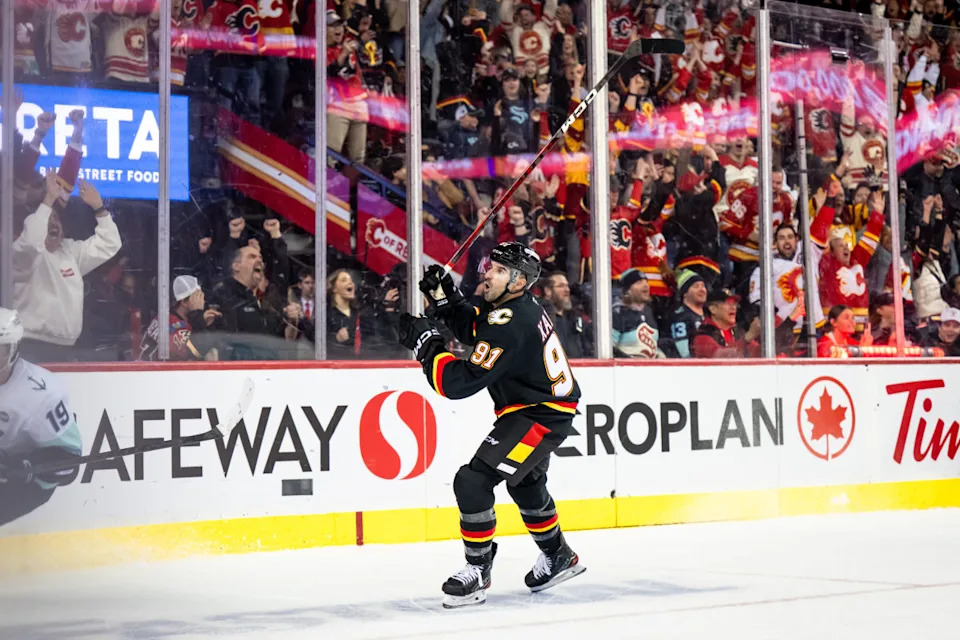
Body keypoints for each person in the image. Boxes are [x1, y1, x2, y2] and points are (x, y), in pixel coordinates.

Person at [398, 242, 584, 608]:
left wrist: (427, 345)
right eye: (490, 266)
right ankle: (558, 555)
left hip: (540, 415)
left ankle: (477, 570)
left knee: (473, 480)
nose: (487, 273)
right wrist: (444, 296)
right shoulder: (508, 307)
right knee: (525, 481)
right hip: (542, 408)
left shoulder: (512, 323)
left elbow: (456, 384)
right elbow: (473, 327)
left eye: (499, 271)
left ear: (518, 281)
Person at [13, 173, 122, 362]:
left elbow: (110, 243)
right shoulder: (24, 255)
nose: (54, 224)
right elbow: (31, 240)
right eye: (48, 220)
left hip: (66, 349)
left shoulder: (70, 251)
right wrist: (48, 199)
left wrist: (98, 207)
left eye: (57, 220)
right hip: (30, 347)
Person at [0, 308, 82, 527]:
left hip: (25, 484)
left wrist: (25, 465)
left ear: (14, 351)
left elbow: (69, 462)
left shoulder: (42, 395)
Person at [138, 276, 222, 361]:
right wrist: (198, 318)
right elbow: (197, 351)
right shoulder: (176, 326)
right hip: (158, 372)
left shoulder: (164, 317)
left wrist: (201, 321)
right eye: (198, 297)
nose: (203, 301)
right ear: (184, 302)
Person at [692, 288, 761, 358]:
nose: (734, 307)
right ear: (713, 309)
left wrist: (763, 336)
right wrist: (748, 337)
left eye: (735, 304)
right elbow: (721, 358)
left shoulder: (737, 331)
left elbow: (757, 353)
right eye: (728, 303)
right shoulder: (703, 334)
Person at [612, 269, 661, 358]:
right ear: (628, 290)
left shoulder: (648, 311)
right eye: (639, 282)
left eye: (646, 281)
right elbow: (610, 348)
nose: (645, 285)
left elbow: (654, 345)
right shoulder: (618, 313)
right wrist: (629, 360)